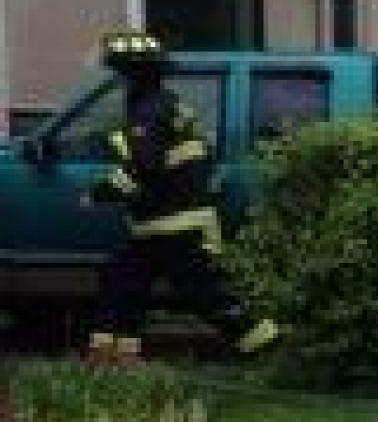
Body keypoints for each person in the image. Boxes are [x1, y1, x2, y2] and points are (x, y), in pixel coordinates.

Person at [83, 31, 280, 365]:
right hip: (158, 223)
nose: (118, 79)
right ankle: (114, 358)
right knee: (121, 281)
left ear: (135, 74)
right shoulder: (165, 104)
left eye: (120, 71)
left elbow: (144, 168)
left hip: (178, 224)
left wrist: (100, 193)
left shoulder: (148, 112)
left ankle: (269, 349)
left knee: (204, 295)